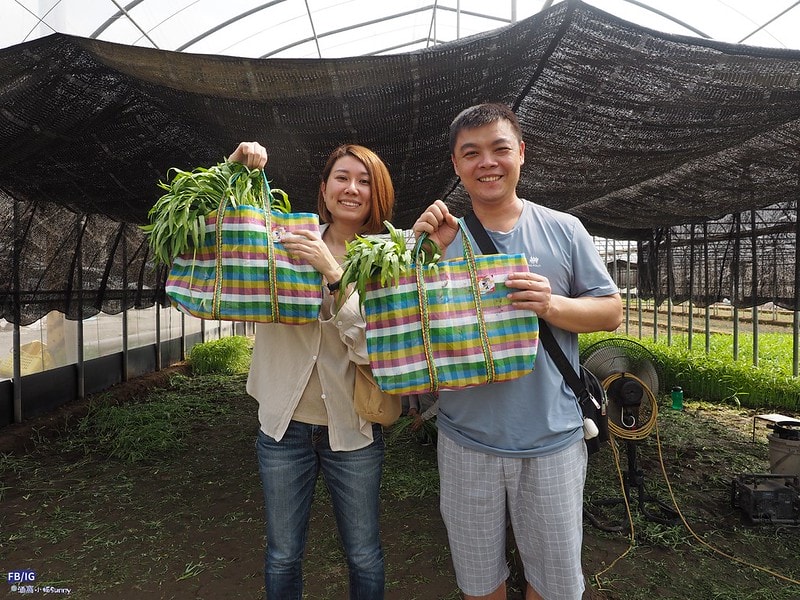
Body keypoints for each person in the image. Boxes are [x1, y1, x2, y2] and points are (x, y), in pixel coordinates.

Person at [412, 103, 623, 600]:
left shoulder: (564, 229)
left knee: (553, 582)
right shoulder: (441, 238)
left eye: (499, 148)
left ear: (521, 154)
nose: (487, 161)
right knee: (479, 578)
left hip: (551, 439)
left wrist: (551, 304)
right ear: (456, 165)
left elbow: (610, 310)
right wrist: (417, 254)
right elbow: (406, 324)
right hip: (467, 439)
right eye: (472, 153)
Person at [228, 141, 395, 599]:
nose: (352, 189)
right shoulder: (282, 242)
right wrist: (236, 170)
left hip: (354, 429)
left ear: (377, 193)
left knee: (363, 552)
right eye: (342, 177)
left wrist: (334, 275)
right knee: (283, 553)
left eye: (365, 181)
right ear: (323, 189)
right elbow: (220, 235)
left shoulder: (387, 259)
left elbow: (379, 353)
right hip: (283, 429)